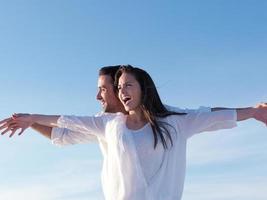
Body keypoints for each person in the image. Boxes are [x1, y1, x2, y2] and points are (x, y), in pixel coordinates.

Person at [1, 65, 266, 200]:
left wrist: (252, 111)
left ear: (142, 87)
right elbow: (65, 127)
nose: (111, 94)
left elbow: (209, 115)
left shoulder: (172, 119)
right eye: (116, 87)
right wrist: (31, 119)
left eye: (111, 88)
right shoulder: (108, 125)